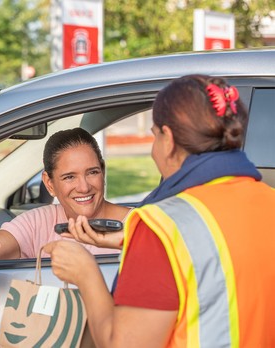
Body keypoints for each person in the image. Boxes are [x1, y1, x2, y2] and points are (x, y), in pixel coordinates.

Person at [44, 74, 275, 347]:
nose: (153, 152)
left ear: (168, 138)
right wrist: (134, 241)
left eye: (154, 137)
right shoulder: (268, 200)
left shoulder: (162, 227)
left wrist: (86, 273)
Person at [0, 127, 131, 267]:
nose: (84, 187)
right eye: (69, 177)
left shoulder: (140, 223)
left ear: (103, 172)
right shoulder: (39, 221)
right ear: (49, 183)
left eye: (92, 173)